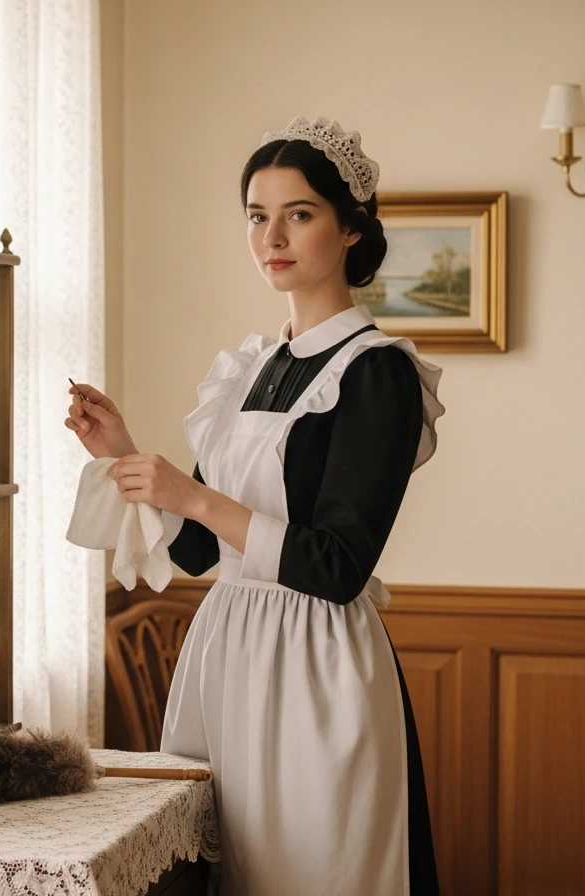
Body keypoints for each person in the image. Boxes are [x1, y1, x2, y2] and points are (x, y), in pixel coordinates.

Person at [65, 116, 445, 895]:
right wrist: (123, 454)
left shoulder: (377, 374)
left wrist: (194, 494)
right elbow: (198, 550)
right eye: (256, 215)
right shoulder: (255, 367)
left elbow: (337, 567)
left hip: (317, 671)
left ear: (350, 228)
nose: (271, 237)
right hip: (226, 657)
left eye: (298, 214)